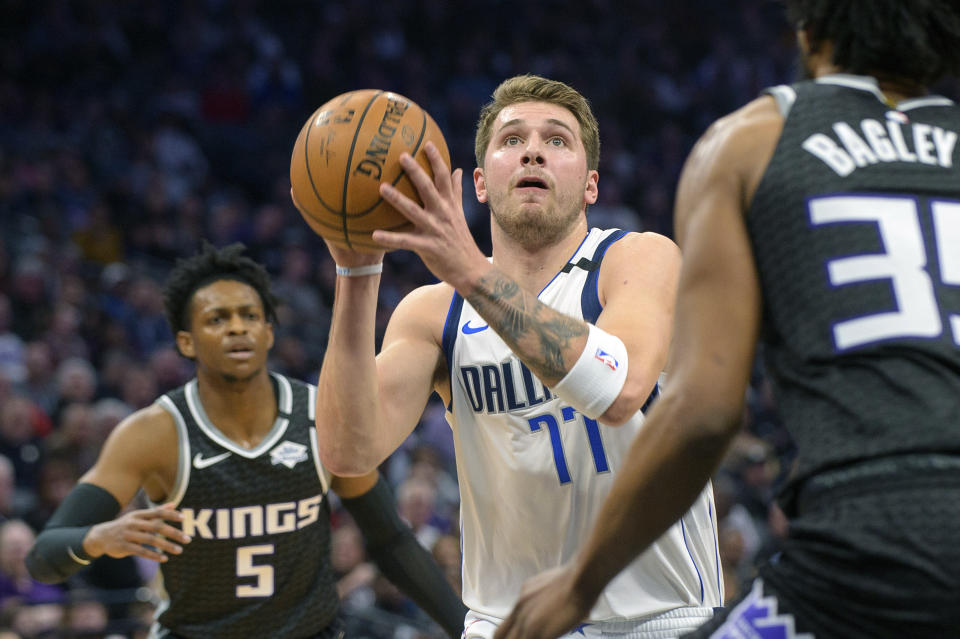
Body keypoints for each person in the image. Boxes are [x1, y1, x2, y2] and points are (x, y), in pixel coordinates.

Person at [494, 2, 960, 638]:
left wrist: (582, 583)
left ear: (809, 32)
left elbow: (707, 413)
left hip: (867, 534)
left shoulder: (750, 144)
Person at [306, 74, 723, 638]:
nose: (532, 149)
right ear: (479, 183)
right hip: (507, 624)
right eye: (511, 140)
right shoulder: (435, 312)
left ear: (591, 185)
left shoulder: (635, 260)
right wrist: (356, 269)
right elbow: (348, 451)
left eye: (557, 140)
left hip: (659, 620)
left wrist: (470, 271)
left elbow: (620, 388)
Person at [24, 243, 467, 639]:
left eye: (250, 316)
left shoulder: (319, 416)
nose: (238, 328)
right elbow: (44, 556)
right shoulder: (154, 433)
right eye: (217, 319)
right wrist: (98, 537)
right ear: (185, 341)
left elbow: (390, 540)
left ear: (269, 331)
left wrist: (465, 629)